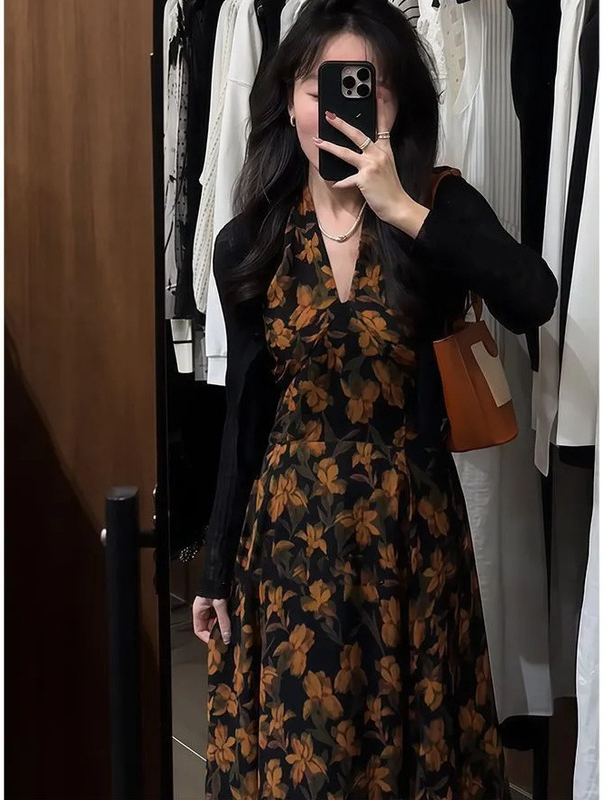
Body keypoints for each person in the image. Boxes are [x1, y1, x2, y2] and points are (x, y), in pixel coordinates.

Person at [191, 0, 558, 796]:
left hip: (411, 541)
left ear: (397, 105)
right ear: (289, 100)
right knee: (302, 760)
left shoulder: (436, 208)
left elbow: (532, 297)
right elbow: (244, 416)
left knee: (414, 761)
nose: (341, 108)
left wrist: (405, 211)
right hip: (289, 547)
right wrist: (215, 565)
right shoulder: (249, 240)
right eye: (321, 86)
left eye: (369, 87)